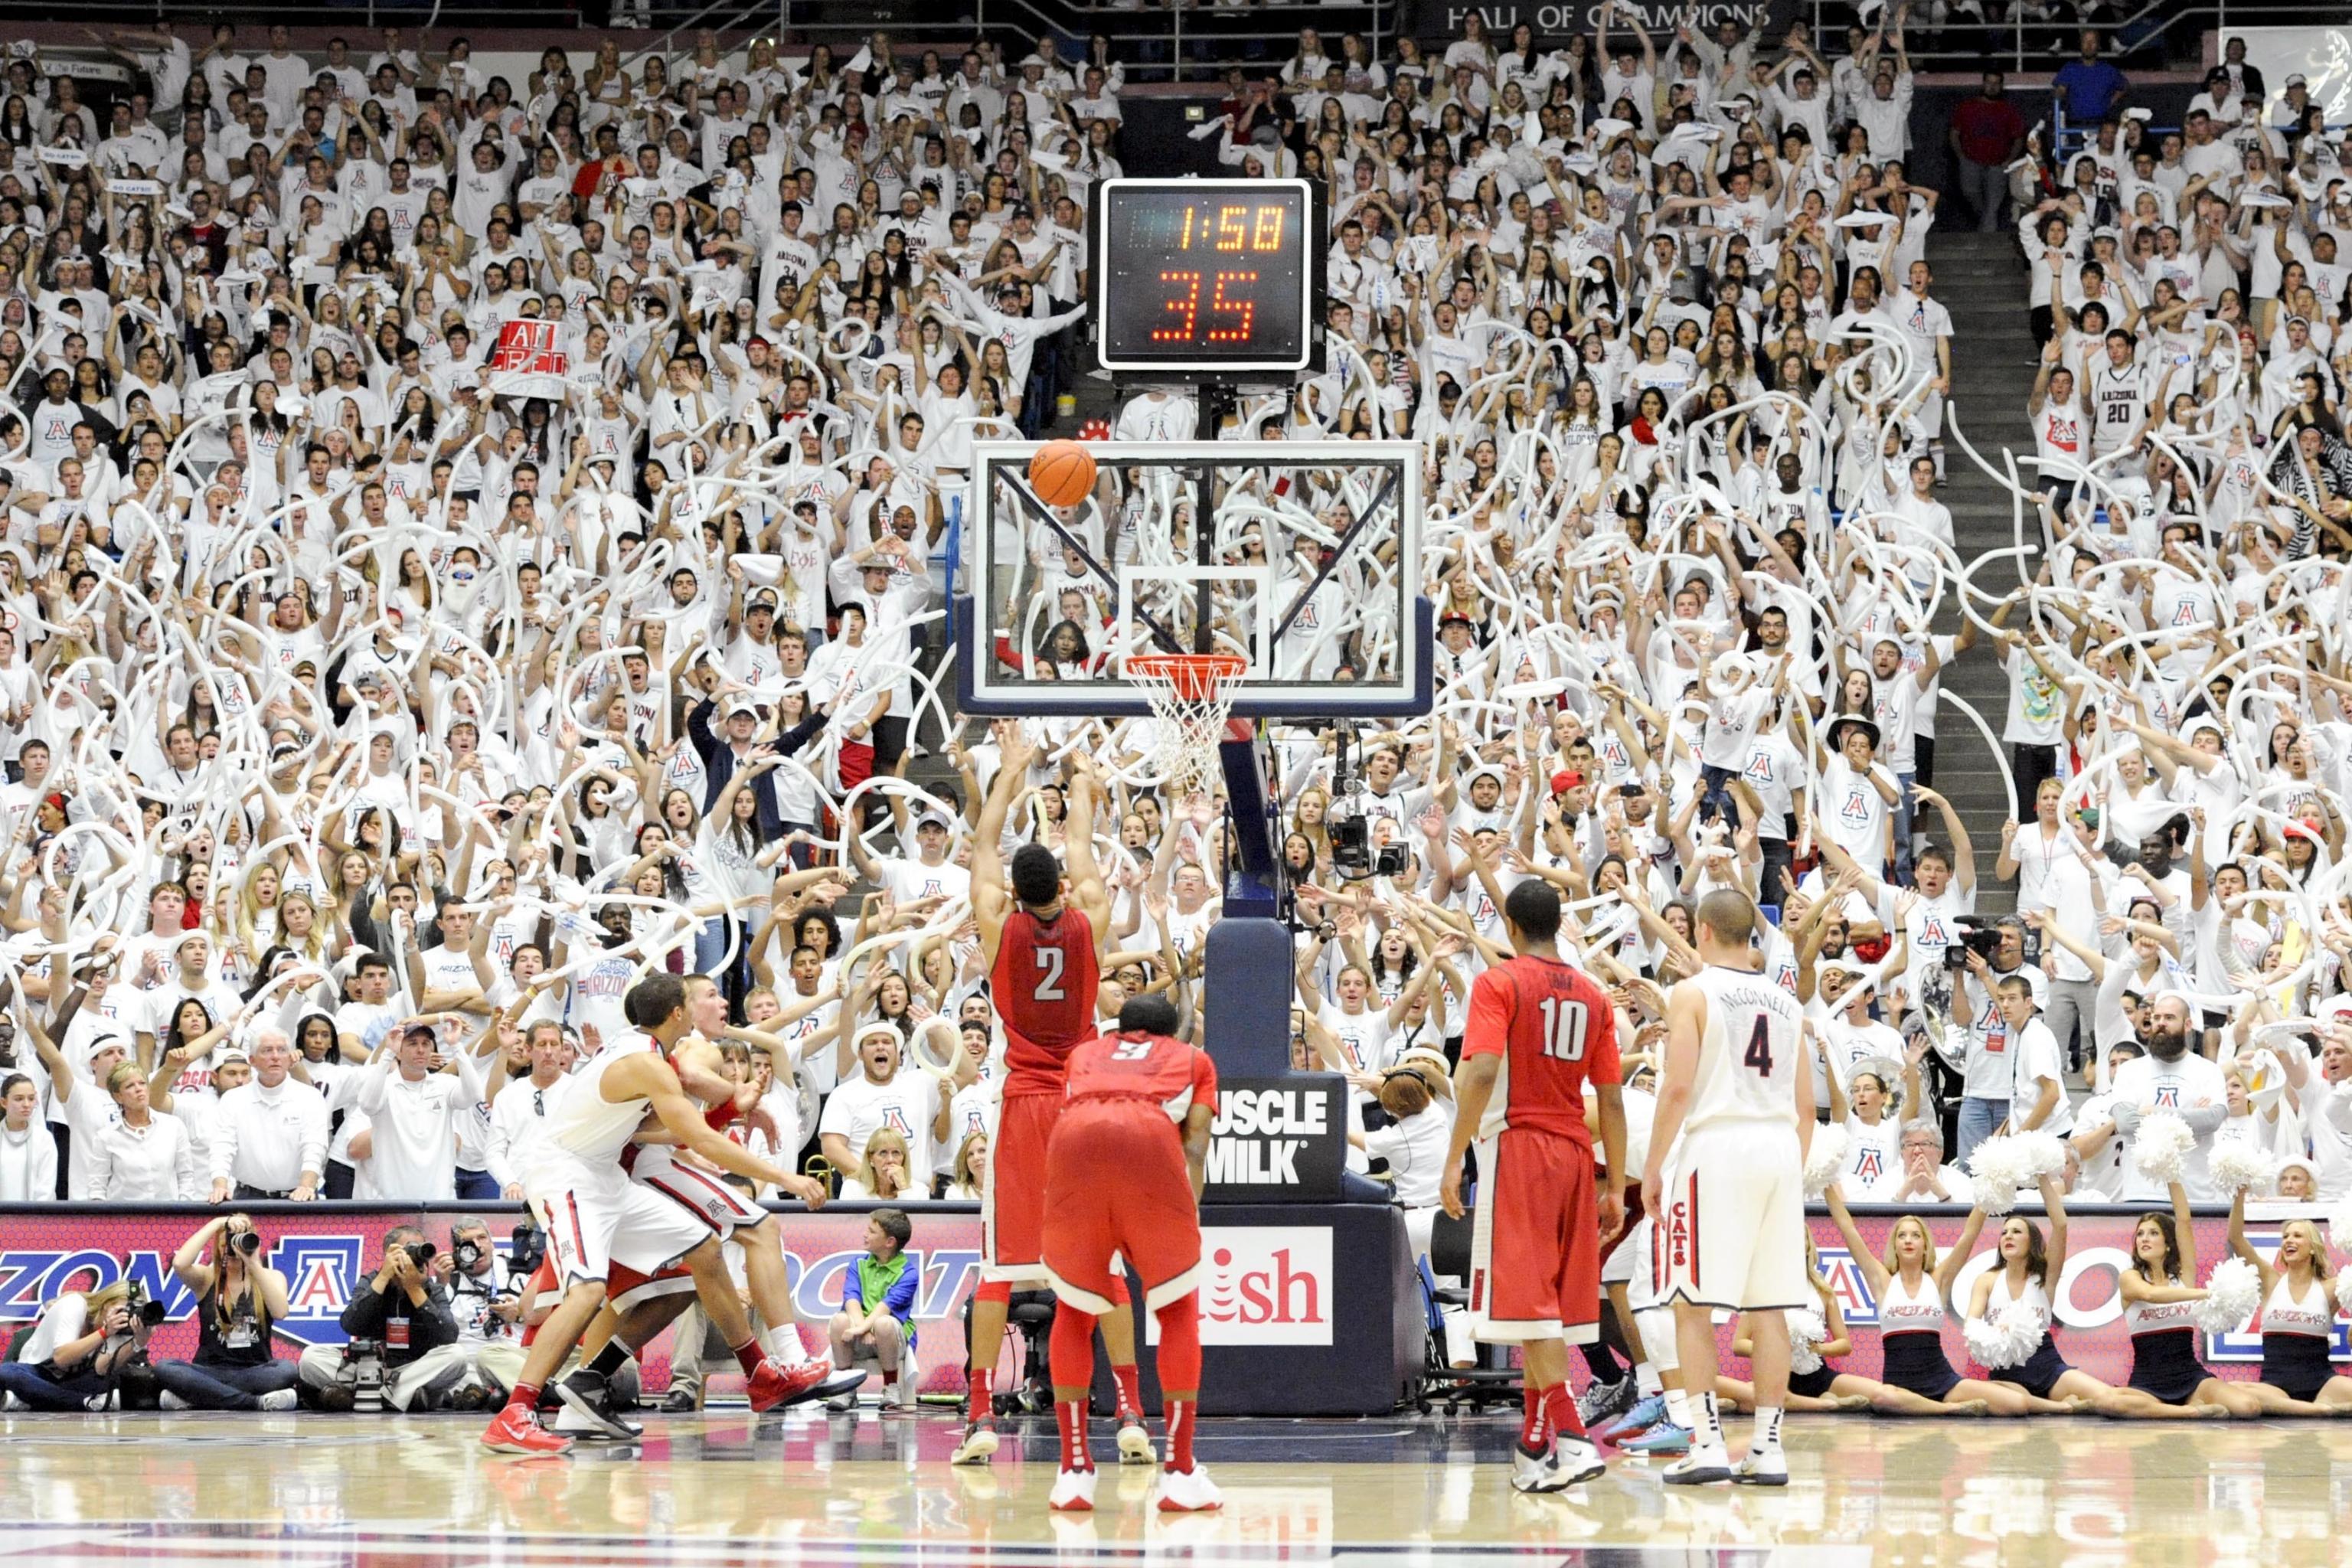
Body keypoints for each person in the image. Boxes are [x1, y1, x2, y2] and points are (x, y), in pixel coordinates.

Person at [479, 974, 831, 1456]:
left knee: (698, 1257)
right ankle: (515, 1414)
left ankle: (758, 1374)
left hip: (606, 1176)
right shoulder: (646, 1063)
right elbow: (701, 1140)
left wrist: (731, 1103)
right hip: (565, 1176)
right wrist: (787, 1179)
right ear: (677, 1015)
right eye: (693, 1000)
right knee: (587, 1293)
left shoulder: (646, 1052)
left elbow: (662, 1128)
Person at [955, 740, 1145, 1465]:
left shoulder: (994, 922)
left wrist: (1008, 770)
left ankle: (978, 1417)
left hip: (1026, 1101)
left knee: (1001, 1270)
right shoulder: (1088, 914)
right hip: (1088, 1101)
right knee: (1107, 1268)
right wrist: (1084, 787)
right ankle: (1128, 1409)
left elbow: (981, 842)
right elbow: (1084, 853)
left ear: (1011, 890)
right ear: (1062, 887)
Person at [1439, 878, 1624, 1494]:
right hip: (1577, 1151)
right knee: (1547, 1309)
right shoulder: (1595, 997)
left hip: (1519, 1148)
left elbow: (1484, 1067)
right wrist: (1615, 1185)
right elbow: (1614, 1100)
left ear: (1512, 929)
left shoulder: (1500, 982)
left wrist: (1455, 1153)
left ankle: (1570, 1436)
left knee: (1530, 1306)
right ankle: (1536, 1443)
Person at [1642, 888, 1808, 1486]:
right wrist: (1788, 1166)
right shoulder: (1788, 1002)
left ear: (1704, 932)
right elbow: (1807, 1109)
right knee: (1770, 1309)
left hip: (1718, 1145)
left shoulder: (1692, 992)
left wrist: (1655, 1165)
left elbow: (1678, 1089)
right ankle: (1768, 1447)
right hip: (1781, 1149)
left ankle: (1707, 1444)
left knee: (1691, 1304)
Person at [1038, 994, 1220, 1514]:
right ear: (1172, 1033)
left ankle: (1074, 1471)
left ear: (1122, 1029)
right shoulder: (1192, 1059)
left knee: (1074, 1309)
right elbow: (1196, 1145)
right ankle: (1180, 1473)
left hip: (1073, 1143)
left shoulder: (1086, 1052)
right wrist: (1185, 1212)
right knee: (1177, 1309)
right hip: (1149, 1142)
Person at [2094, 1181, 2264, 1418]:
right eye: (2140, 1234)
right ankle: (2187, 1413)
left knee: (2249, 1407)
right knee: (2108, 1403)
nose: (2144, 1239)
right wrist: (2206, 1293)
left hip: (2191, 1378)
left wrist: (2171, 1175)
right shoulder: (2130, 1278)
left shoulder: (2184, 1277)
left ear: (2167, 1245)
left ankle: (2179, 1409)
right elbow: (2150, 1295)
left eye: (2154, 1233)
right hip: (2147, 1385)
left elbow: (2183, 1220)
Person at [1960, 1178, 2110, 1410]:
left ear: (2032, 1241)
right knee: (2011, 1402)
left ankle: (2053, 1402)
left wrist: (2042, 1178)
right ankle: (2062, 1407)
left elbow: (2060, 1224)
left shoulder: (2044, 1277)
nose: (2008, 1236)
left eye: (2017, 1232)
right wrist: (1995, 1332)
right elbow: (1971, 1326)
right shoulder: (1987, 1280)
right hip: (2006, 1373)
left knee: (2107, 1397)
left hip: (2048, 1367)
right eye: (2004, 1233)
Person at [152, 1213, 300, 1411]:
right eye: (226, 1246)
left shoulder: (272, 1276)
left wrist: (253, 1264)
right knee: (165, 1367)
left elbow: (280, 1312)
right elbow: (180, 1264)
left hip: (255, 1371)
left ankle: (199, 1398)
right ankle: (254, 1403)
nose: (232, 1252)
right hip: (208, 1370)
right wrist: (217, 1223)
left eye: (237, 1246)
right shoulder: (207, 1277)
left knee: (287, 1370)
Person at [2223, 1189, 2347, 1411]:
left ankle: (2302, 1407)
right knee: (2231, 1390)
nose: (2289, 1240)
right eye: (2286, 1236)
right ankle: (2321, 1410)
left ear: (2313, 1247)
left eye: (2298, 1236)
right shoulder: (2271, 1281)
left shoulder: (2332, 1287)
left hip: (2323, 1384)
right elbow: (2236, 1238)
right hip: (2275, 1386)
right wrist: (2239, 1192)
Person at [0, 1272, 155, 1412]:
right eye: (124, 1309)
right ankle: (82, 1403)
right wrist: (104, 1332)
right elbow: (61, 1359)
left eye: (132, 1312)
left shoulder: (122, 1328)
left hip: (71, 1382)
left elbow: (101, 1369)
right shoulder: (75, 1304)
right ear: (106, 1304)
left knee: (106, 1382)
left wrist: (137, 1343)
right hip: (38, 1373)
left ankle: (33, 1400)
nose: (126, 1315)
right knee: (7, 1372)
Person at [826, 1207, 920, 1410]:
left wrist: (864, 1328)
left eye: (871, 1231)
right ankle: (845, 1389)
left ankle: (891, 1387)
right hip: (861, 1333)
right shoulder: (858, 1264)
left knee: (884, 1324)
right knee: (839, 1320)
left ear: (890, 1242)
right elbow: (851, 1298)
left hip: (891, 1341)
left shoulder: (908, 1273)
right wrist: (862, 1328)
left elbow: (885, 1307)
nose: (865, 1234)